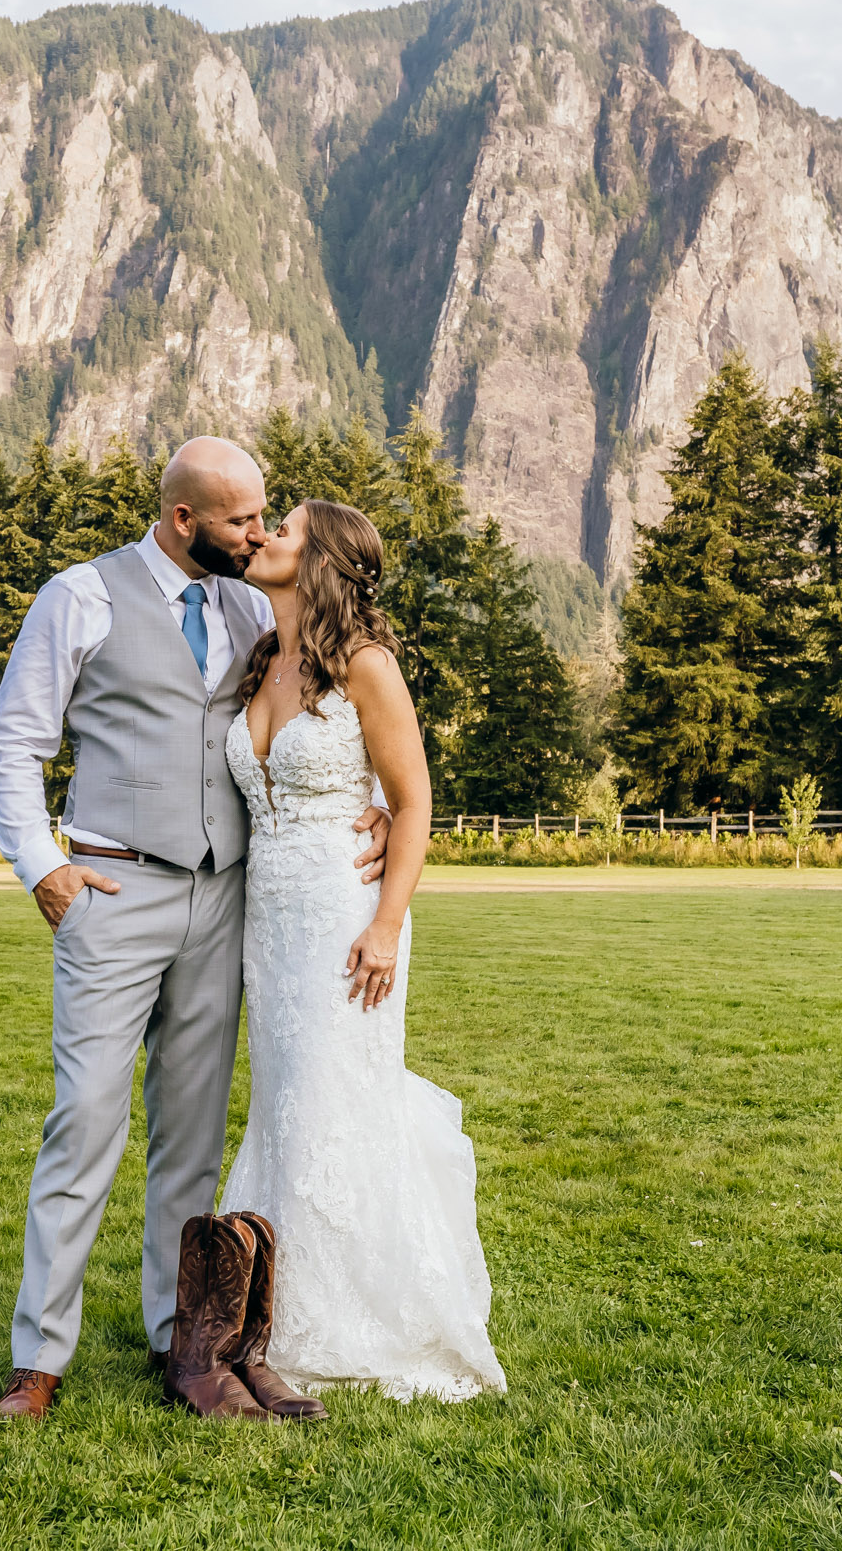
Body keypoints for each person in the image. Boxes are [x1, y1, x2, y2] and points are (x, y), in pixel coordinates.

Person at [0, 438, 390, 1422]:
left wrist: (370, 800)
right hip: (113, 893)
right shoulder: (78, 596)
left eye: (263, 518)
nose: (257, 533)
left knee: (191, 1139)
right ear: (181, 520)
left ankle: (182, 1341)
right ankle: (38, 1357)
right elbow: (13, 743)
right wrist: (45, 870)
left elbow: (318, 704)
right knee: (83, 1123)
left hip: (226, 903)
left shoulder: (253, 605)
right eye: (242, 519)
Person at [217, 498, 507, 1402]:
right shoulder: (264, 659)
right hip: (270, 920)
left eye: (286, 531)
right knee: (286, 1099)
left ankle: (347, 1318)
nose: (264, 536)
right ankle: (270, 1306)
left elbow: (413, 800)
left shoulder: (367, 668)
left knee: (335, 1099)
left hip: (348, 917)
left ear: (324, 564)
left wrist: (385, 923)